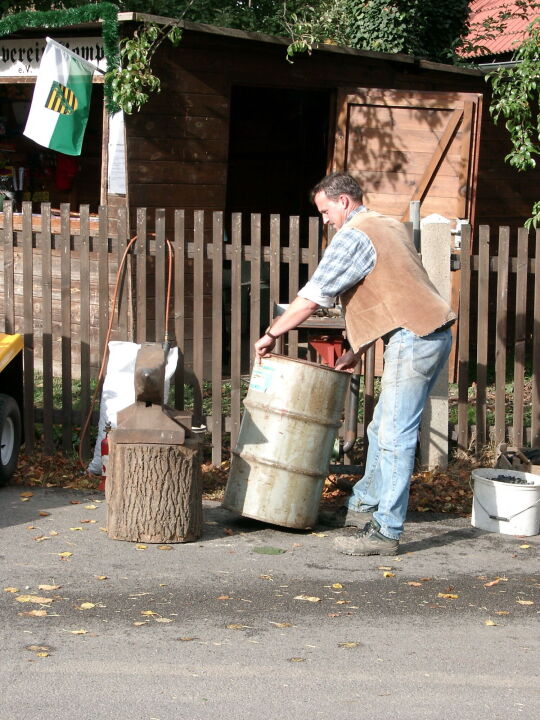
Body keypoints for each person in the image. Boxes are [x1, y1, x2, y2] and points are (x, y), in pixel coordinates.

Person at [254, 172, 455, 556]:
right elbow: (393, 291)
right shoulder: (388, 225)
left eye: (326, 211)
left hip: (415, 337)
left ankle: (386, 531)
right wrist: (357, 350)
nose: (326, 219)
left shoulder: (355, 234)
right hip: (426, 332)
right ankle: (363, 510)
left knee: (395, 435)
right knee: (382, 428)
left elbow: (312, 298)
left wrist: (271, 333)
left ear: (343, 201)